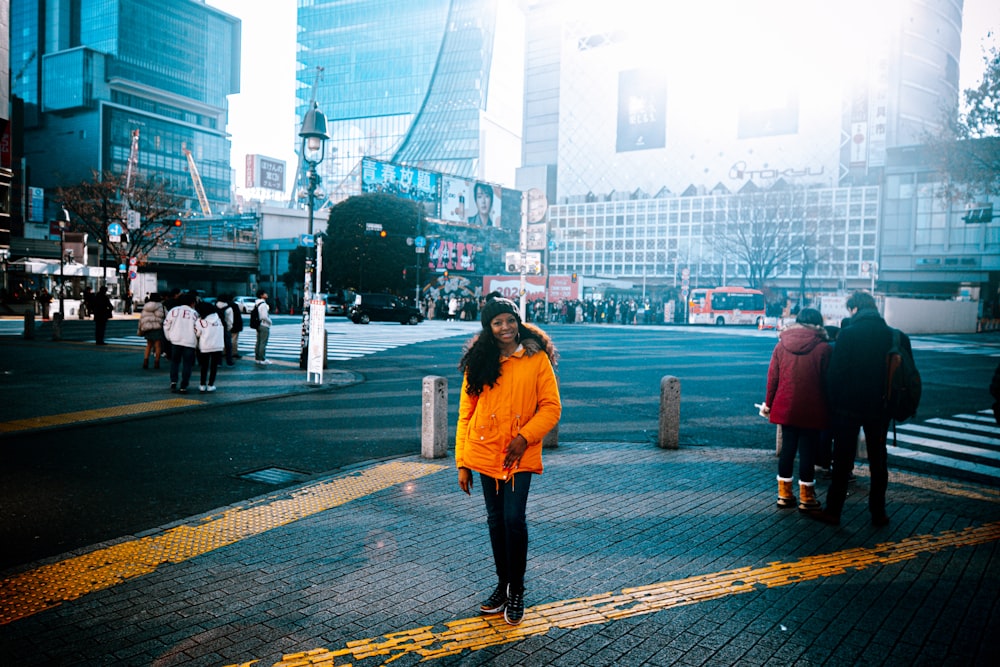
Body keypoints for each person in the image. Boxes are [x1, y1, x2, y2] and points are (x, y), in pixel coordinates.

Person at [455, 296, 562, 626]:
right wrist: (461, 462)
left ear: (518, 321)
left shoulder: (535, 358)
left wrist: (524, 437)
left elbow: (551, 407)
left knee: (514, 520)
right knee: (496, 521)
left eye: (510, 320)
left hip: (519, 453)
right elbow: (465, 413)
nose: (505, 327)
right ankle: (502, 586)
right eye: (497, 322)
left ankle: (517, 589)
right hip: (485, 452)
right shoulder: (480, 360)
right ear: (488, 327)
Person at [810, 291, 912, 528]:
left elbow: (835, 374)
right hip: (880, 408)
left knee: (842, 461)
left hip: (848, 409)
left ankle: (834, 511)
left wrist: (834, 404)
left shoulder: (848, 334)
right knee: (878, 461)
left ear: (854, 309)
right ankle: (878, 513)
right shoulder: (893, 335)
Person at [761, 308, 832, 511]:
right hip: (812, 407)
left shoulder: (781, 345)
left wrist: (769, 403)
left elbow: (773, 378)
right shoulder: (824, 349)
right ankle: (807, 498)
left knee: (788, 450)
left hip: (786, 406)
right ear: (819, 324)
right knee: (808, 452)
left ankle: (784, 495)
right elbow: (829, 383)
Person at [163, 291, 199, 393]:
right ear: (192, 303)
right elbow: (197, 329)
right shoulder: (195, 314)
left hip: (176, 341)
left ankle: (173, 381)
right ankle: (184, 385)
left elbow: (166, 325)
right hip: (190, 342)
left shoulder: (173, 311)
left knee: (175, 362)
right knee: (187, 364)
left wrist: (169, 337)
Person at [194, 301, 225, 392]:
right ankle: (211, 385)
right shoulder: (218, 319)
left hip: (205, 345)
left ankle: (202, 385)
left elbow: (198, 333)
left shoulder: (200, 321)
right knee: (214, 366)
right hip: (218, 345)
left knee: (204, 366)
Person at [138, 293, 166, 369]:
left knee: (149, 345)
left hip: (147, 327)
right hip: (157, 327)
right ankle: (156, 362)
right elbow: (163, 316)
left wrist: (140, 328)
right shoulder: (161, 306)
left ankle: (145, 361)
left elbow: (141, 318)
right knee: (158, 345)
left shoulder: (146, 306)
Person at [253, 288, 273, 365]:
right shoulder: (263, 304)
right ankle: (262, 358)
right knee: (263, 343)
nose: (266, 295)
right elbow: (264, 316)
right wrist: (270, 322)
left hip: (259, 325)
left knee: (258, 342)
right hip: (264, 325)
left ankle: (257, 358)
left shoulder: (257, 303)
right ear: (262, 295)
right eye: (265, 293)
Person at [215, 294, 235, 366]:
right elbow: (230, 321)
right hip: (225, 328)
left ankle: (218, 362)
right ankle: (229, 361)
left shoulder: (215, 306)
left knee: (218, 346)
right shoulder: (228, 308)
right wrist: (229, 328)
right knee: (228, 346)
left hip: (216, 328)